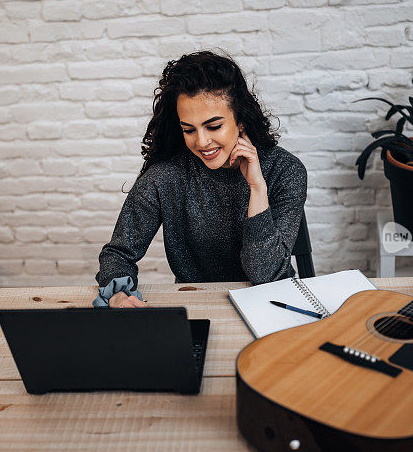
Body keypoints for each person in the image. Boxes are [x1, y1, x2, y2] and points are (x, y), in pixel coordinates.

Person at [93, 50, 307, 308]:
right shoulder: (165, 178)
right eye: (189, 130)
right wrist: (118, 297)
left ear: (239, 120)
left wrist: (257, 188)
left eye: (214, 126)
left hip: (276, 304)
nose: (202, 142)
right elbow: (118, 254)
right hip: (196, 304)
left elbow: (266, 275)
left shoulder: (285, 170)